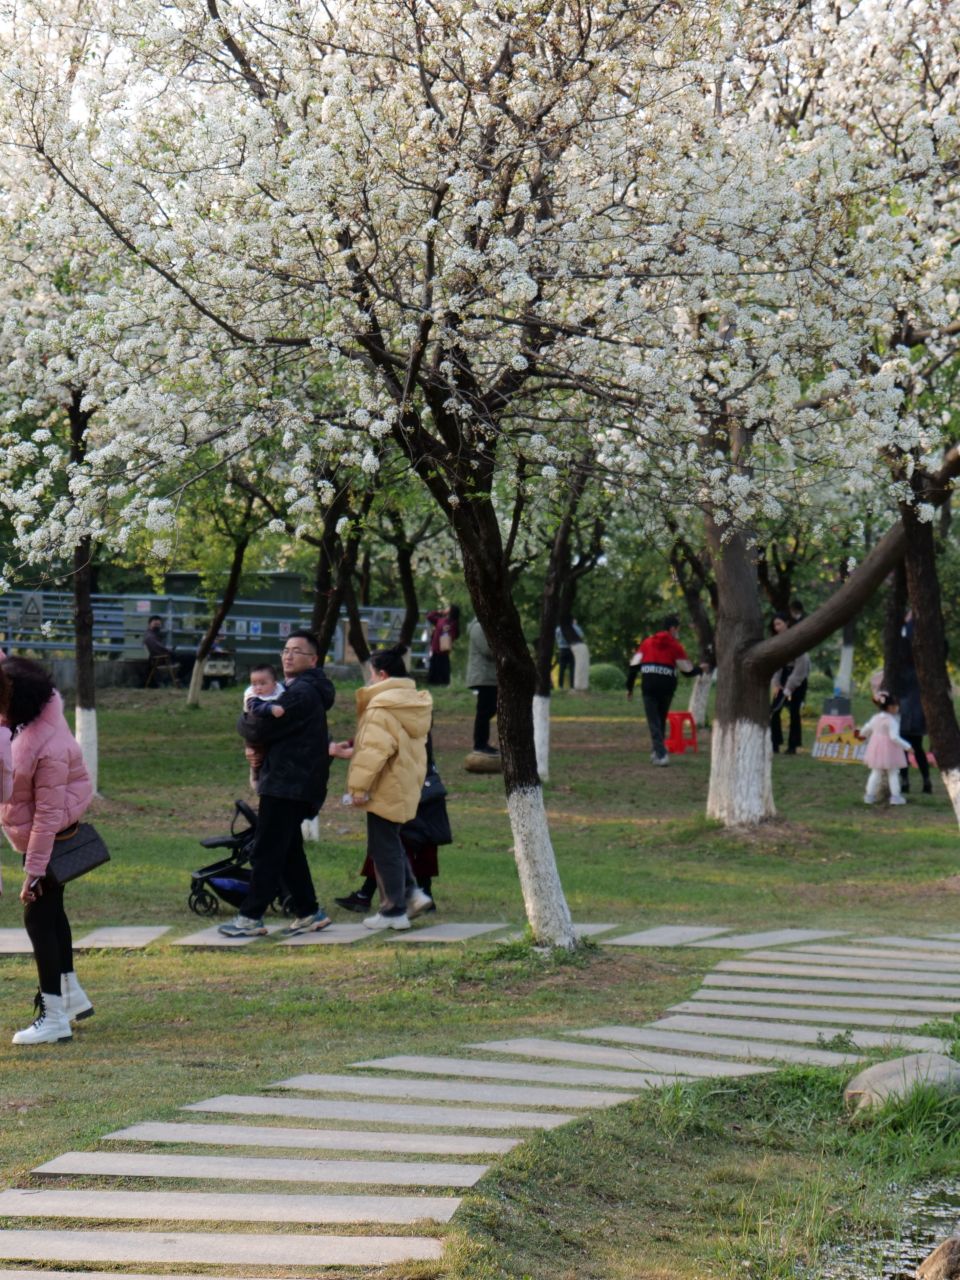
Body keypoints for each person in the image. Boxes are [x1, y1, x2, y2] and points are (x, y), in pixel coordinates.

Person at [219, 629, 348, 938]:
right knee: (288, 848)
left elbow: (258, 729)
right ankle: (308, 911)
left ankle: (250, 917)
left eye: (297, 651)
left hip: (287, 783)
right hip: (292, 781)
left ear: (313, 659)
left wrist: (244, 721)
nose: (288, 655)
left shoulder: (301, 693)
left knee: (266, 850)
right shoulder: (300, 689)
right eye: (286, 650)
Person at [0, 657, 94, 1045]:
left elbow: (48, 818)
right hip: (45, 838)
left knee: (38, 920)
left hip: (50, 840)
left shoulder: (48, 748)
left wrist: (34, 872)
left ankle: (54, 1017)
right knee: (52, 916)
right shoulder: (32, 711)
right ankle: (70, 996)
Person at [345, 645, 434, 930]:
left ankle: (394, 910)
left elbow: (375, 752)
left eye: (371, 675)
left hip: (384, 785)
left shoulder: (381, 706)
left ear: (382, 675)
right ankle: (411, 893)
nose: (369, 681)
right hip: (404, 783)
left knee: (383, 848)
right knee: (389, 844)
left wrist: (358, 788)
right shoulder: (413, 704)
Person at [336, 734, 451, 914]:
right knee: (404, 841)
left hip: (405, 782)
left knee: (390, 841)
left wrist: (357, 751)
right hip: (420, 780)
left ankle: (392, 896)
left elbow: (383, 735)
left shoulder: (400, 711)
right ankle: (374, 893)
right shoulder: (418, 710)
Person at [626, 614, 704, 766]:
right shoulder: (675, 646)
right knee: (660, 720)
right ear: (672, 628)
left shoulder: (647, 643)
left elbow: (633, 666)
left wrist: (629, 688)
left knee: (653, 721)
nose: (678, 632)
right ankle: (657, 752)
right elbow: (686, 670)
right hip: (667, 687)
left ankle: (661, 754)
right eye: (678, 629)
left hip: (649, 686)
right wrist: (699, 670)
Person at [896, 611, 933, 795]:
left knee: (904, 745)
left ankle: (905, 781)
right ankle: (925, 780)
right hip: (916, 706)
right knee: (917, 746)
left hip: (907, 707)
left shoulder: (906, 637)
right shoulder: (922, 668)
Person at [861, 691, 912, 807]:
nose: (898, 708)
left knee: (875, 772)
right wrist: (907, 746)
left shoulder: (875, 718)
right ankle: (896, 796)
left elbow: (867, 728)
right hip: (890, 749)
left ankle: (869, 796)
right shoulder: (892, 721)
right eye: (896, 706)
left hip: (876, 747)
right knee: (893, 773)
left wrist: (862, 734)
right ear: (890, 707)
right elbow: (894, 737)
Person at [769, 613, 810, 755]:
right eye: (775, 625)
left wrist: (789, 687)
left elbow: (802, 665)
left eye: (779, 624)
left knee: (794, 712)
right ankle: (774, 743)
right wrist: (776, 683)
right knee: (774, 711)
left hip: (798, 679)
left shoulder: (796, 639)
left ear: (787, 623)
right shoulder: (778, 641)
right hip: (783, 676)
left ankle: (793, 746)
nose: (777, 628)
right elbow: (777, 664)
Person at [242, 664, 286, 788]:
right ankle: (255, 774)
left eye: (262, 683)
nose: (258, 688)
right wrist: (270, 708)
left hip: (272, 734)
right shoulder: (252, 696)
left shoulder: (281, 690)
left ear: (274, 684)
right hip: (254, 734)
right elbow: (255, 709)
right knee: (257, 755)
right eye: (254, 683)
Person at [466, 618, 498, 755]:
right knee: (484, 712)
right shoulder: (478, 628)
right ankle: (480, 745)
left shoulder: (487, 626)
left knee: (489, 710)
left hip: (489, 676)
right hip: (482, 676)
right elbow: (488, 650)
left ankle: (482, 743)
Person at [426, 605, 460, 686]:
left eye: (448, 608)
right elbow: (429, 616)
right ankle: (433, 683)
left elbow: (454, 635)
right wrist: (440, 612)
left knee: (443, 667)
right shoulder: (440, 619)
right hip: (435, 648)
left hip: (444, 649)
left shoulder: (453, 623)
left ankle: (444, 682)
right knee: (434, 666)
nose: (446, 608)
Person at [555, 620, 583, 690]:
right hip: (572, 648)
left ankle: (560, 686)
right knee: (572, 668)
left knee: (562, 668)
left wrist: (559, 644)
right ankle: (572, 686)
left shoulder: (559, 628)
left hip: (562, 649)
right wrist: (575, 625)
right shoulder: (575, 627)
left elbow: (556, 636)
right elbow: (581, 635)